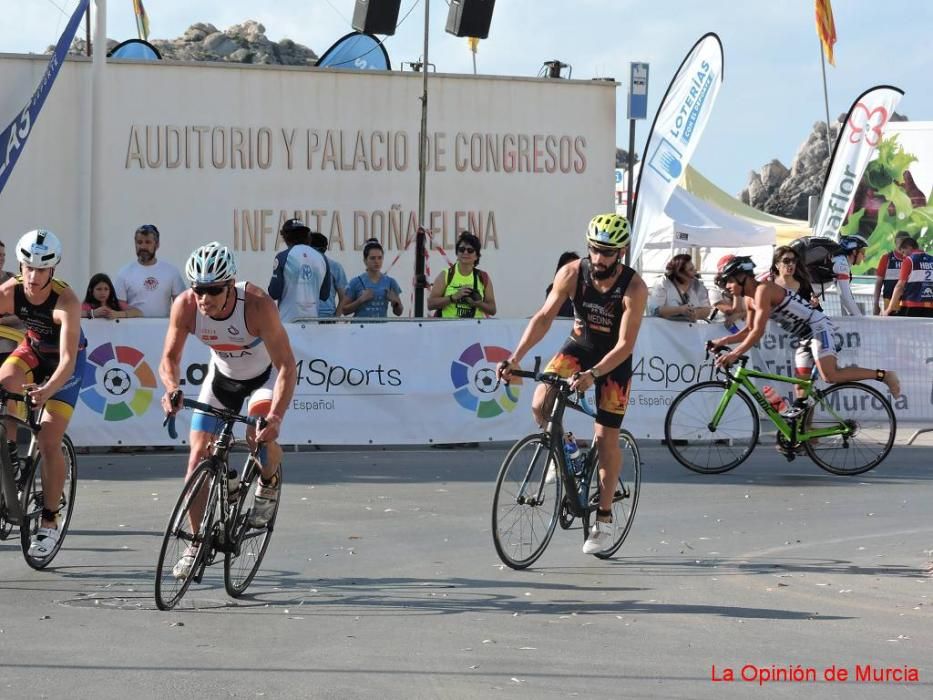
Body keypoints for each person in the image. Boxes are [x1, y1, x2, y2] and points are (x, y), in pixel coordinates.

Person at [497, 213, 647, 555]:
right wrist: (515, 357)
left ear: (621, 252)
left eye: (607, 252)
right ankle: (566, 451)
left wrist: (593, 375)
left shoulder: (634, 288)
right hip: (578, 347)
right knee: (539, 402)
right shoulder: (571, 273)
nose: (599, 258)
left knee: (606, 438)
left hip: (613, 361)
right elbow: (544, 316)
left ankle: (604, 519)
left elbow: (625, 345)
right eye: (594, 249)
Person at [160, 242, 297, 579]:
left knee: (257, 436)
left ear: (229, 284)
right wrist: (172, 389)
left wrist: (276, 417)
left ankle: (269, 480)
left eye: (213, 290)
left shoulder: (257, 305)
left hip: (262, 379)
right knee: (196, 460)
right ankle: (196, 543)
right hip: (222, 379)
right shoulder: (186, 306)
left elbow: (286, 367)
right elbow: (169, 358)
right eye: (198, 289)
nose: (204, 298)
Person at [711, 256, 900, 422]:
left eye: (729, 281)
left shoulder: (763, 290)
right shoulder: (750, 299)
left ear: (743, 276)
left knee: (830, 375)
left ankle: (884, 375)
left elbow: (758, 332)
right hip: (804, 336)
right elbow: (749, 330)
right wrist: (723, 341)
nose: (727, 286)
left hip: (818, 327)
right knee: (801, 389)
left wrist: (734, 354)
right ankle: (807, 437)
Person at [0, 230, 86, 558]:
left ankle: (49, 520)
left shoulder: (67, 301)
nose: (33, 277)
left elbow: (67, 360)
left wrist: (47, 390)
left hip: (66, 365)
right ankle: (8, 455)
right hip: (34, 349)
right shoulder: (10, 291)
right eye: (27, 268)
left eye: (41, 270)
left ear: (54, 269)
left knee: (49, 440)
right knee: (5, 379)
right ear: (20, 265)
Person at [113, 224, 185, 317]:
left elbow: (180, 302)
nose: (143, 246)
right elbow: (119, 303)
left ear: (157, 244)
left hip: (163, 328)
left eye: (148, 242)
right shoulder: (124, 273)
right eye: (139, 242)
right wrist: (136, 314)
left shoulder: (171, 272)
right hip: (133, 329)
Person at [267, 218, 328, 322]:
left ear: (285, 237)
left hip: (288, 322)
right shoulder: (322, 258)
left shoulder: (282, 257)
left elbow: (274, 292)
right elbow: (324, 294)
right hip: (312, 322)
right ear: (307, 236)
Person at [427, 232, 497, 318]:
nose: (465, 252)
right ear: (457, 253)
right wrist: (453, 297)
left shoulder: (482, 277)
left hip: (475, 328)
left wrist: (478, 303)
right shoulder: (446, 274)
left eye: (470, 250)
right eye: (461, 249)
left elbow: (492, 309)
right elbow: (430, 304)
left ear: (476, 256)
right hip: (448, 328)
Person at [341, 239, 404, 318]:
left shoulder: (391, 282)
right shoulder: (355, 282)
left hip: (381, 328)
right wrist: (360, 300)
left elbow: (399, 312)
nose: (377, 261)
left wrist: (395, 303)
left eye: (379, 258)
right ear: (365, 260)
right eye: (372, 258)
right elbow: (344, 310)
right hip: (360, 328)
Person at [648, 253, 711, 322]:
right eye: (691, 269)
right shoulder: (662, 284)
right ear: (679, 273)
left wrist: (696, 314)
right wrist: (680, 310)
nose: (695, 271)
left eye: (694, 268)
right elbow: (655, 310)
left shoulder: (697, 285)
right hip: (665, 329)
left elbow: (707, 309)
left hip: (691, 328)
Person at [884, 237, 933, 318]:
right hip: (930, 307)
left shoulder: (909, 260)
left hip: (911, 306)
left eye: (903, 252)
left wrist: (889, 309)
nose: (903, 255)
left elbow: (899, 286)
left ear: (910, 248)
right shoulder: (932, 259)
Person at [309, 232, 347, 318]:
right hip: (306, 316)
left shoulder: (335, 267)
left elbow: (344, 297)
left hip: (327, 317)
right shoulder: (302, 266)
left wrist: (335, 319)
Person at [829, 234, 869, 316]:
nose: (864, 256)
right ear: (854, 251)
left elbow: (842, 294)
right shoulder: (842, 264)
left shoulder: (839, 260)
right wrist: (860, 318)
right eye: (863, 252)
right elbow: (846, 296)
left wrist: (852, 315)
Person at [873, 231, 911, 316]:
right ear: (895, 242)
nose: (902, 246)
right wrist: (875, 304)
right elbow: (878, 283)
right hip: (890, 304)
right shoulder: (886, 258)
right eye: (900, 243)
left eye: (905, 243)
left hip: (909, 305)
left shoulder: (913, 259)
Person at [546, 251, 580, 318]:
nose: (573, 272)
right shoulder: (553, 289)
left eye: (577, 269)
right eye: (569, 269)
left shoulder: (587, 289)